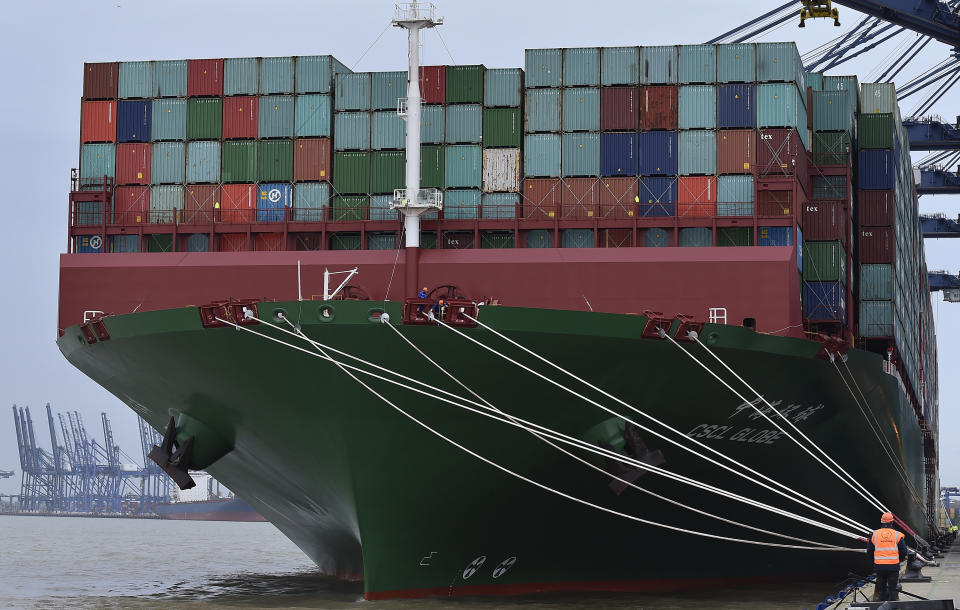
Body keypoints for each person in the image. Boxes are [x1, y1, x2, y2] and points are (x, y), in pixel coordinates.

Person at [866, 512, 909, 602]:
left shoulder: (875, 534)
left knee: (881, 591)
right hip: (893, 567)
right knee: (892, 591)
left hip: (879, 567)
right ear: (892, 522)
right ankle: (892, 606)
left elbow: (869, 551)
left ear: (881, 522)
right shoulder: (897, 534)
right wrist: (898, 560)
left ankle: (882, 606)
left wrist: (876, 560)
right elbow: (904, 551)